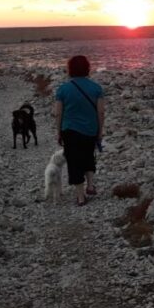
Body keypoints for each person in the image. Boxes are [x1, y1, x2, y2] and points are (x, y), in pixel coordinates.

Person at [54, 55, 105, 206]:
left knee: (74, 161)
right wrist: (100, 131)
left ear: (70, 69)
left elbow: (58, 113)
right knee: (89, 155)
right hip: (90, 129)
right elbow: (101, 112)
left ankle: (81, 197)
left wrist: (59, 131)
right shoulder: (96, 88)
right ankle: (90, 185)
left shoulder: (63, 89)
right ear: (87, 68)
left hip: (70, 130)